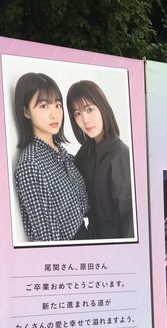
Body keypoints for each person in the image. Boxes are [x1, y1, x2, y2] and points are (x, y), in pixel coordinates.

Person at [13, 72, 89, 242]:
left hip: (86, 239)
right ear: (26, 112)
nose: (54, 114)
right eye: (44, 106)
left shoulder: (59, 151)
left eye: (57, 105)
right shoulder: (31, 165)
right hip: (70, 252)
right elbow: (48, 241)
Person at [66, 80, 133, 240]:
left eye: (89, 109)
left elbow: (129, 218)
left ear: (102, 108)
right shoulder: (87, 151)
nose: (85, 119)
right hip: (92, 237)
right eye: (77, 113)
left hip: (115, 241)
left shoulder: (120, 155)